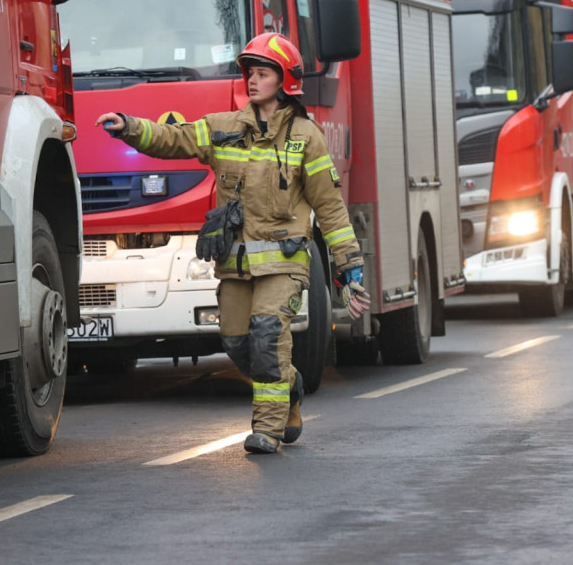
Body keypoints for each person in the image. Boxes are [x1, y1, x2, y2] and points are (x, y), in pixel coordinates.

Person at [94, 33, 369, 454]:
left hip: (285, 262)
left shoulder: (305, 137)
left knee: (266, 335)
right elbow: (176, 138)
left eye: (262, 73)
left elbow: (329, 206)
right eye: (250, 73)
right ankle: (289, 384)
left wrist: (349, 266)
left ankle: (269, 430)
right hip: (236, 265)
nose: (252, 81)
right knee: (237, 342)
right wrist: (129, 128)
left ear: (284, 80)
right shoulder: (225, 128)